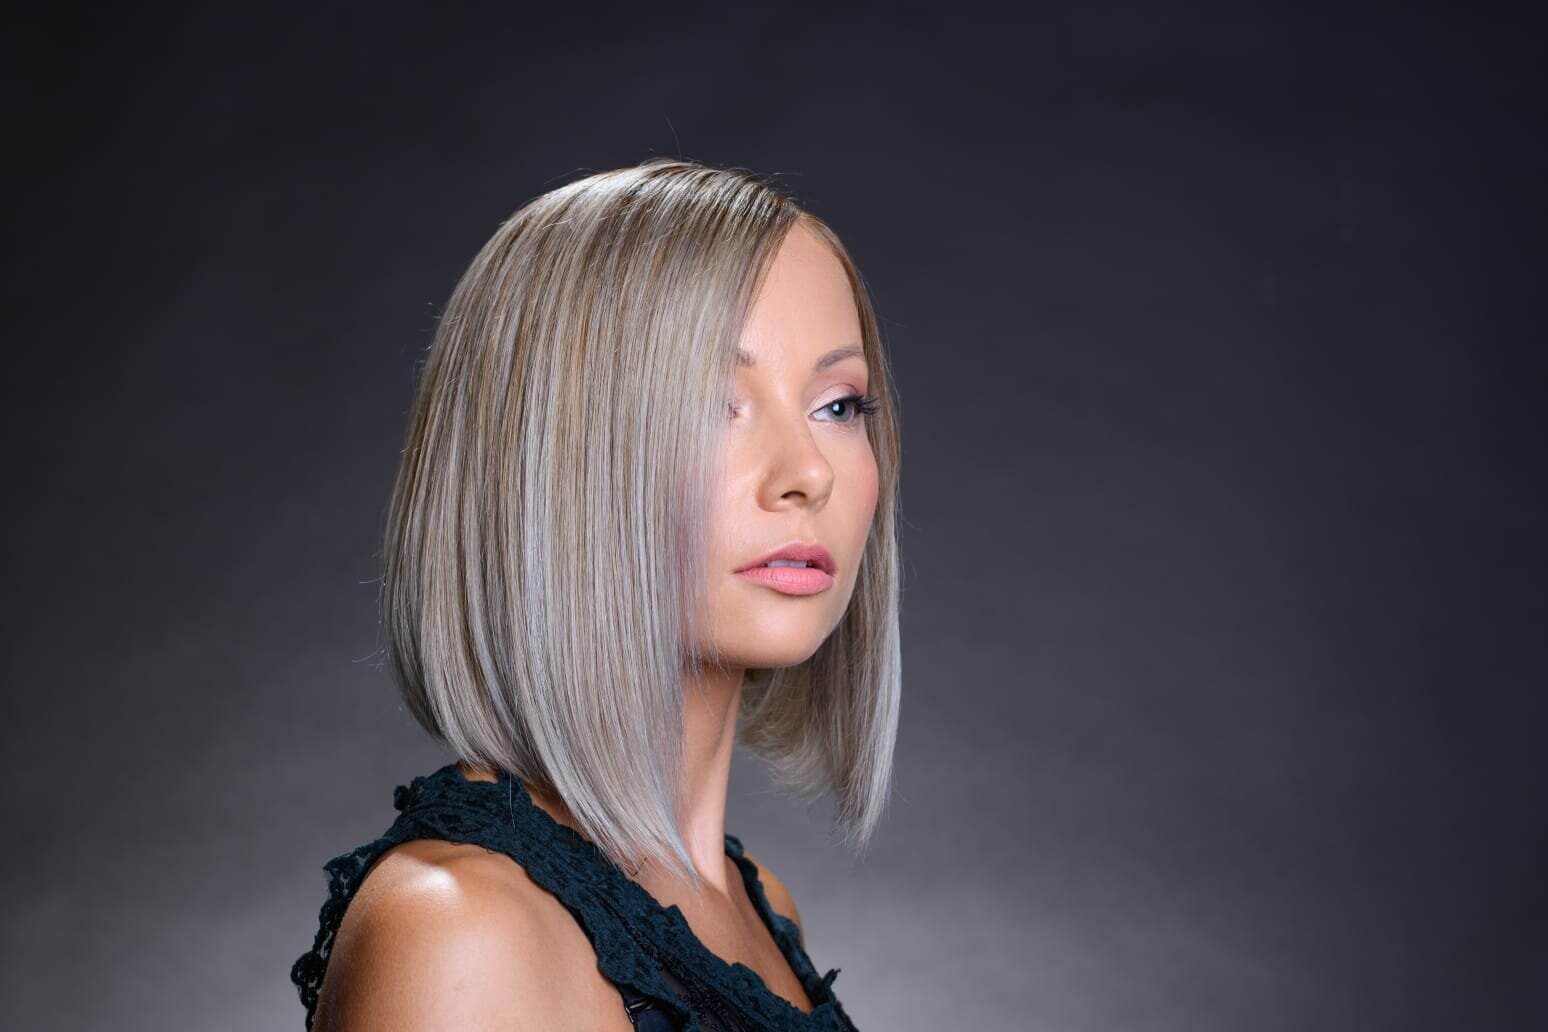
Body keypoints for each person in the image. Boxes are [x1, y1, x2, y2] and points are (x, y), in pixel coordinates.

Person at [290, 157, 903, 1031]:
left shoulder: (761, 906)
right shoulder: (460, 933)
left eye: (838, 406)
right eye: (710, 402)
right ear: (550, 460)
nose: (807, 473)